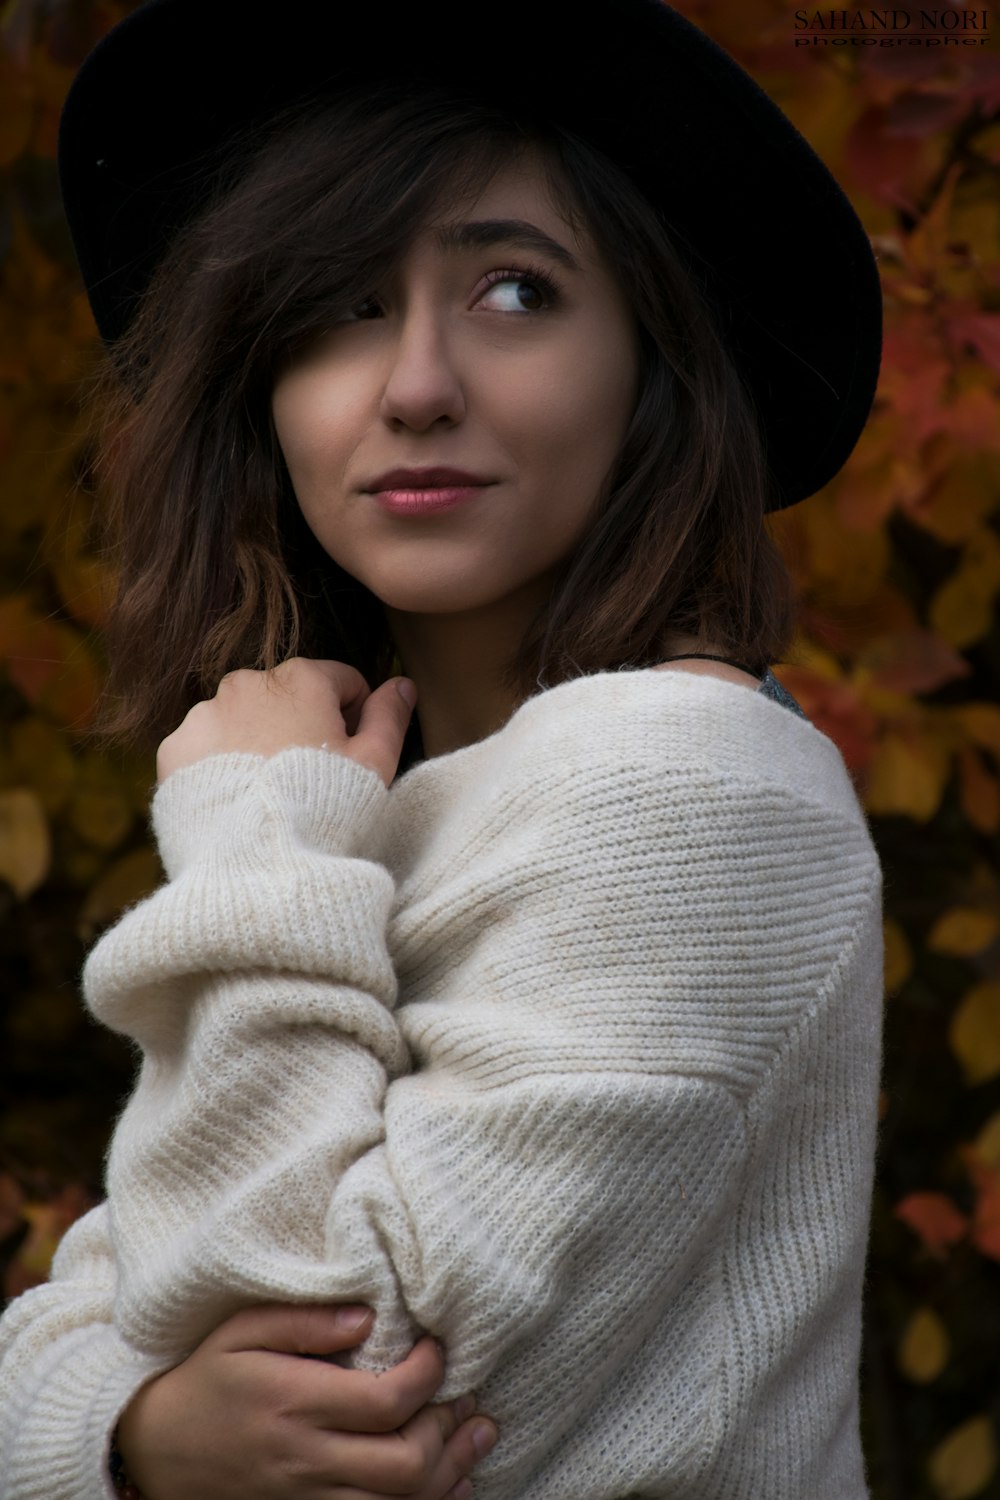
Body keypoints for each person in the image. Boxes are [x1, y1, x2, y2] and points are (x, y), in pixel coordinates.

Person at [0, 2, 886, 1497]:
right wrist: (136, 1435)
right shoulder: (385, 815)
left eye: (517, 293)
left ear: (652, 365)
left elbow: (339, 1372)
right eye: (338, 304)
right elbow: (98, 1307)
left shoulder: (686, 785)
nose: (414, 383)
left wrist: (260, 831)